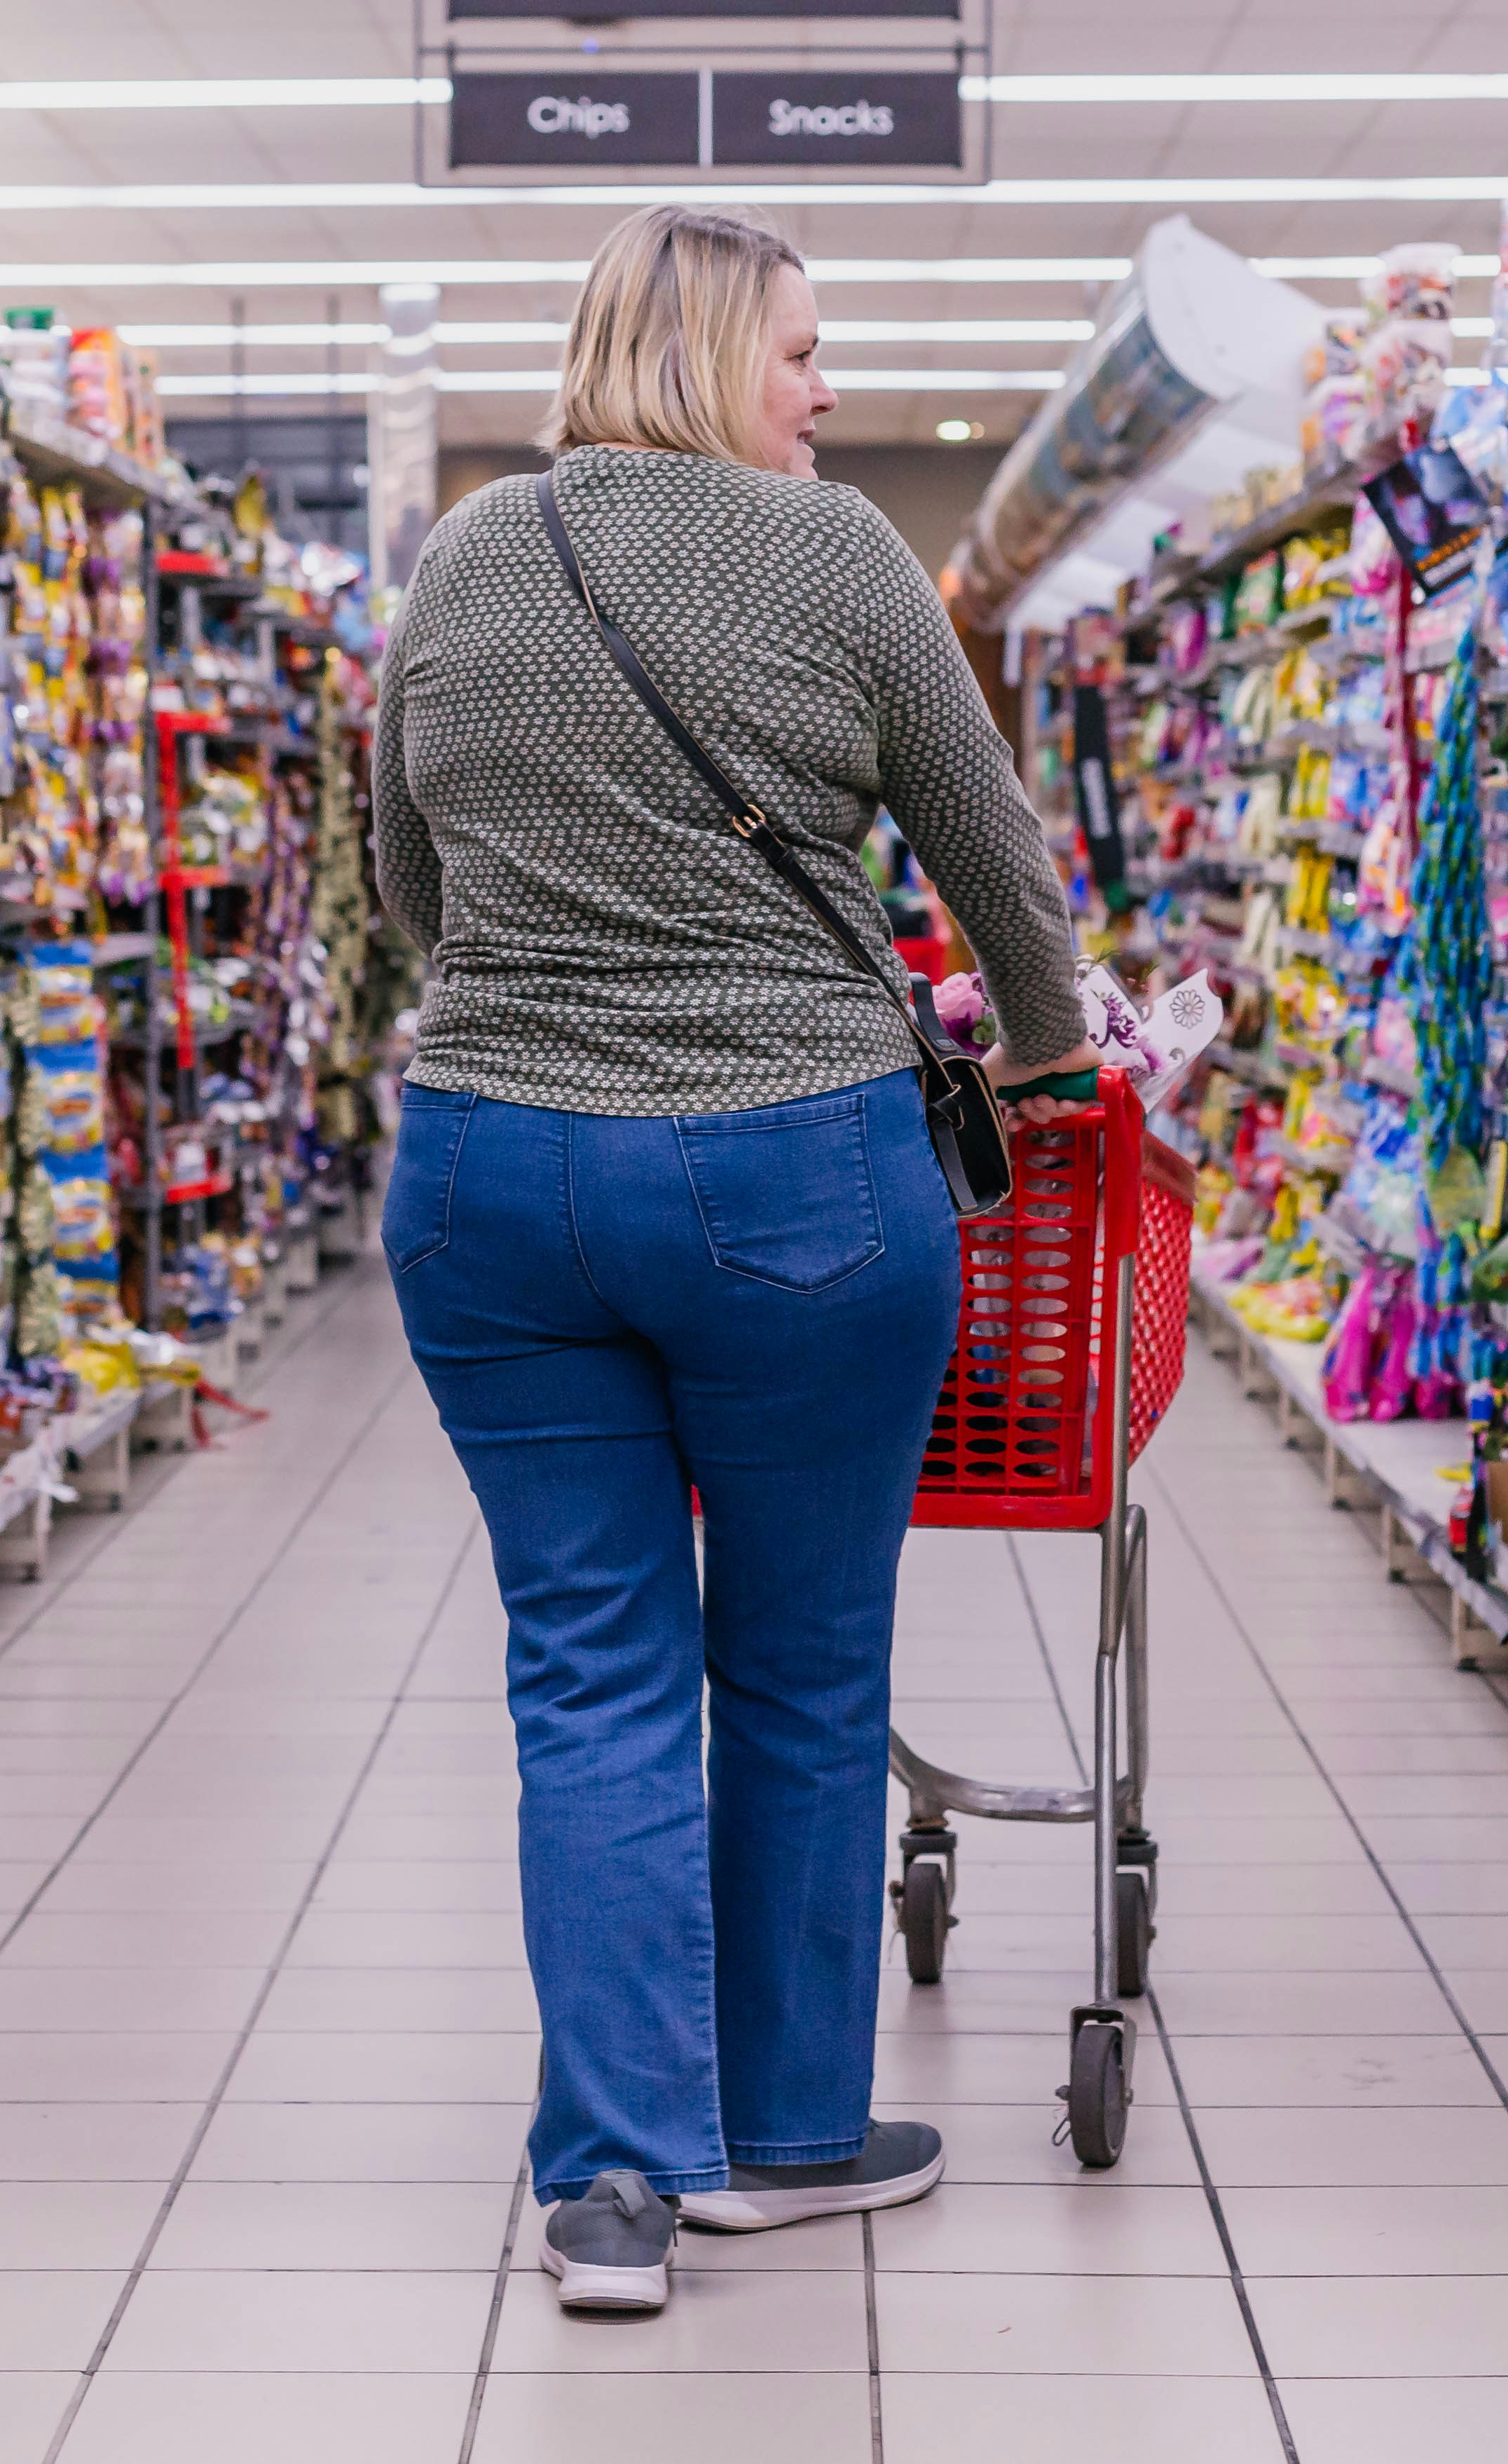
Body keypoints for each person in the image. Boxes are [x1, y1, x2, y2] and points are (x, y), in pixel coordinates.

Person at [368, 202, 1098, 2316]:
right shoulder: (837, 555)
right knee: (791, 1665)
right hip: (788, 1181)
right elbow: (989, 848)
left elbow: (407, 869)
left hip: (490, 1181)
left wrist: (542, 1002)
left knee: (585, 1675)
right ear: (702, 359)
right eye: (799, 350)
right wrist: (1042, 1052)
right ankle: (780, 2133)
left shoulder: (466, 561)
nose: (828, 388)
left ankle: (609, 2182)